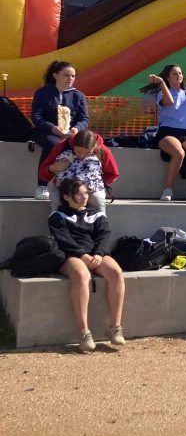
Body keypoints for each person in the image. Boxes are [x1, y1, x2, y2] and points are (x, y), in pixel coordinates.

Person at [48, 177, 125, 353]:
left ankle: (115, 327)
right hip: (71, 256)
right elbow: (63, 241)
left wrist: (98, 254)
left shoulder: (97, 215)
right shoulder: (57, 216)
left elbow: (104, 236)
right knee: (82, 275)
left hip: (95, 254)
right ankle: (84, 332)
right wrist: (82, 255)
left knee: (115, 272)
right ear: (67, 197)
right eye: (79, 194)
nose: (84, 197)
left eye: (86, 193)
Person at [141, 64, 186, 201]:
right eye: (175, 74)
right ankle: (167, 190)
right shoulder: (161, 93)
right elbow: (170, 101)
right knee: (179, 153)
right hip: (167, 132)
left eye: (180, 73)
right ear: (167, 77)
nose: (179, 76)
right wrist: (161, 83)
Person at [32, 61, 89, 200]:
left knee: (89, 144)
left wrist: (75, 129)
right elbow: (37, 117)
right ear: (55, 75)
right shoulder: (43, 93)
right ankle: (42, 185)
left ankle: (83, 186)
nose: (70, 79)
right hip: (46, 131)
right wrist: (53, 129)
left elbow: (84, 119)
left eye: (73, 76)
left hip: (71, 133)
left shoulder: (78, 96)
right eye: (66, 75)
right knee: (54, 144)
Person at [40, 129, 118, 213]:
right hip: (64, 186)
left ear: (94, 147)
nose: (82, 156)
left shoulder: (103, 151)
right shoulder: (62, 146)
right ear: (73, 145)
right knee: (56, 198)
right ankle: (57, 224)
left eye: (87, 153)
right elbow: (42, 173)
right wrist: (52, 168)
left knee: (97, 199)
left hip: (91, 188)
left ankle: (100, 223)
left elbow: (113, 174)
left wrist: (95, 183)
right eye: (77, 151)